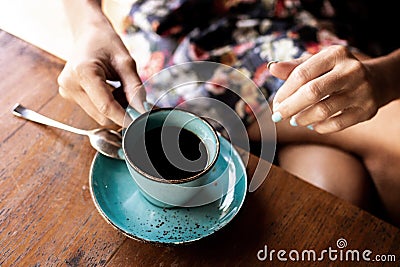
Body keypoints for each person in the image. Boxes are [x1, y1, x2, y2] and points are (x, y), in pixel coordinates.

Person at [58, 0, 400, 227]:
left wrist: (386, 78)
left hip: (302, 34)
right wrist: (89, 27)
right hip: (177, 38)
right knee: (336, 197)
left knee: (334, 197)